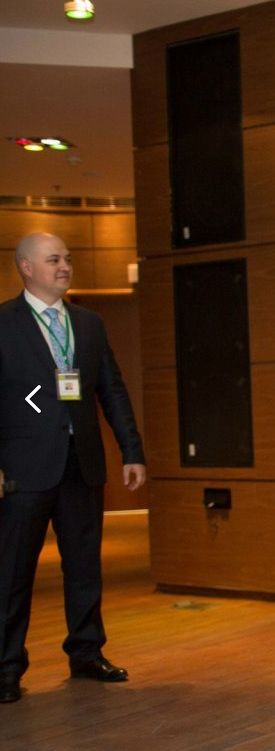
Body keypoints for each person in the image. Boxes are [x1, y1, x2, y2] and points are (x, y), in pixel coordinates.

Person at [0, 232, 147, 704]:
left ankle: (86, 652)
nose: (64, 266)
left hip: (81, 463)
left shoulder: (88, 323)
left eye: (67, 258)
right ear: (26, 267)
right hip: (23, 466)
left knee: (84, 566)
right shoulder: (4, 323)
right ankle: (6, 667)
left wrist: (132, 451)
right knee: (13, 572)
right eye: (53, 260)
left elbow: (112, 390)